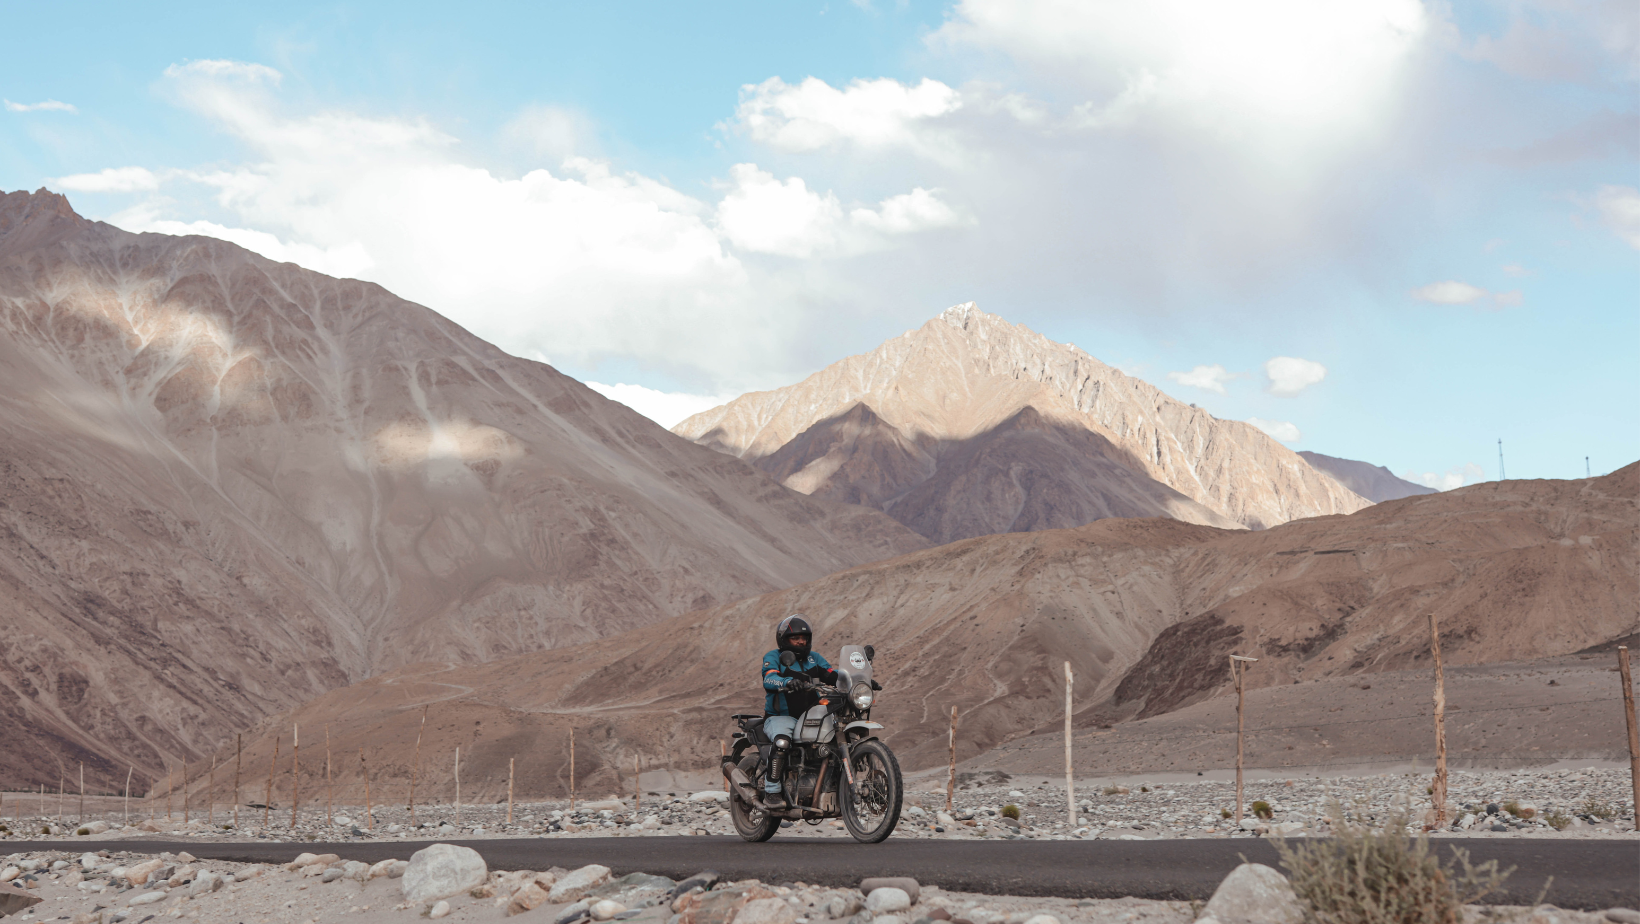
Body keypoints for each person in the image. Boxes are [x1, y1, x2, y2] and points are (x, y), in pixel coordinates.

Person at [759, 614, 837, 809]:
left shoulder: (814, 658)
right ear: (785, 640)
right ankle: (772, 792)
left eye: (804, 638)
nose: (801, 641)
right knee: (782, 741)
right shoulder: (774, 657)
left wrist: (857, 680)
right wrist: (787, 682)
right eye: (796, 638)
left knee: (836, 737)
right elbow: (769, 679)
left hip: (811, 716)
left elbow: (832, 675)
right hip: (781, 716)